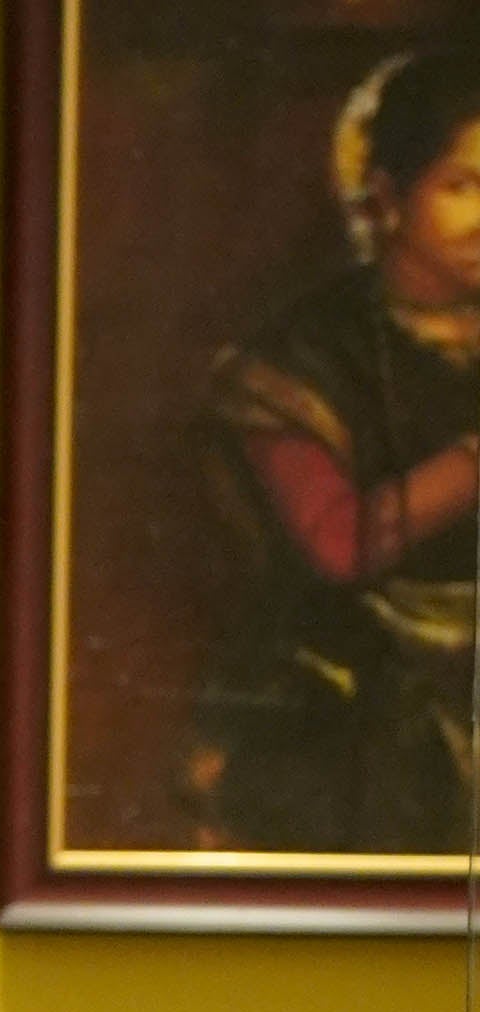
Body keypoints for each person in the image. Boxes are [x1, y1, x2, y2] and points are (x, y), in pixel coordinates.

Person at [193, 42, 480, 854]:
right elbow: (339, 544)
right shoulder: (299, 359)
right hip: (358, 696)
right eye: (463, 187)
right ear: (387, 196)